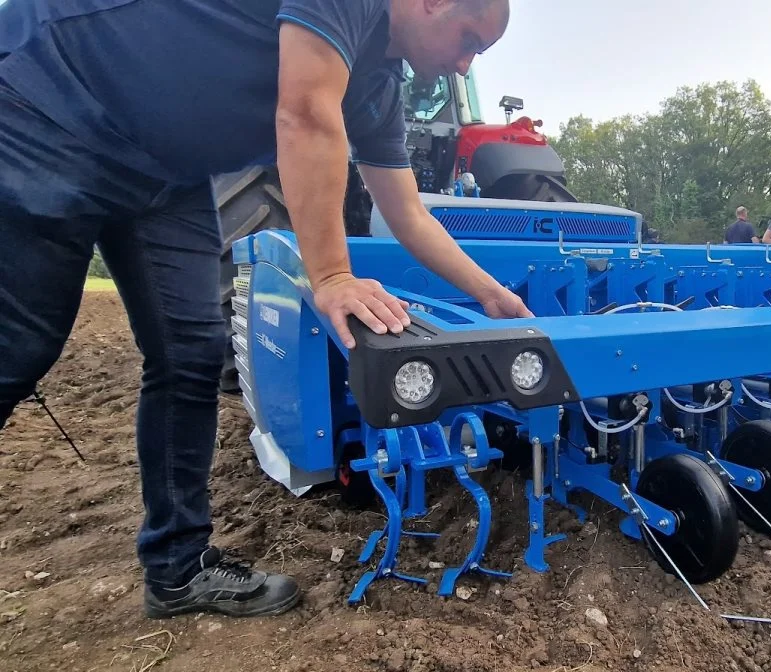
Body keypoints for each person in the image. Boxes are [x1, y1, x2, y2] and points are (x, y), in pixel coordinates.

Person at [0, 0, 529, 620]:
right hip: (50, 101)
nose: (464, 63)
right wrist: (331, 275)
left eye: (480, 56)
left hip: (162, 171)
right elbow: (304, 115)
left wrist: (492, 295)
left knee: (191, 352)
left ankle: (177, 569)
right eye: (468, 40)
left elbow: (408, 214)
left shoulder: (378, 86)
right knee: (18, 345)